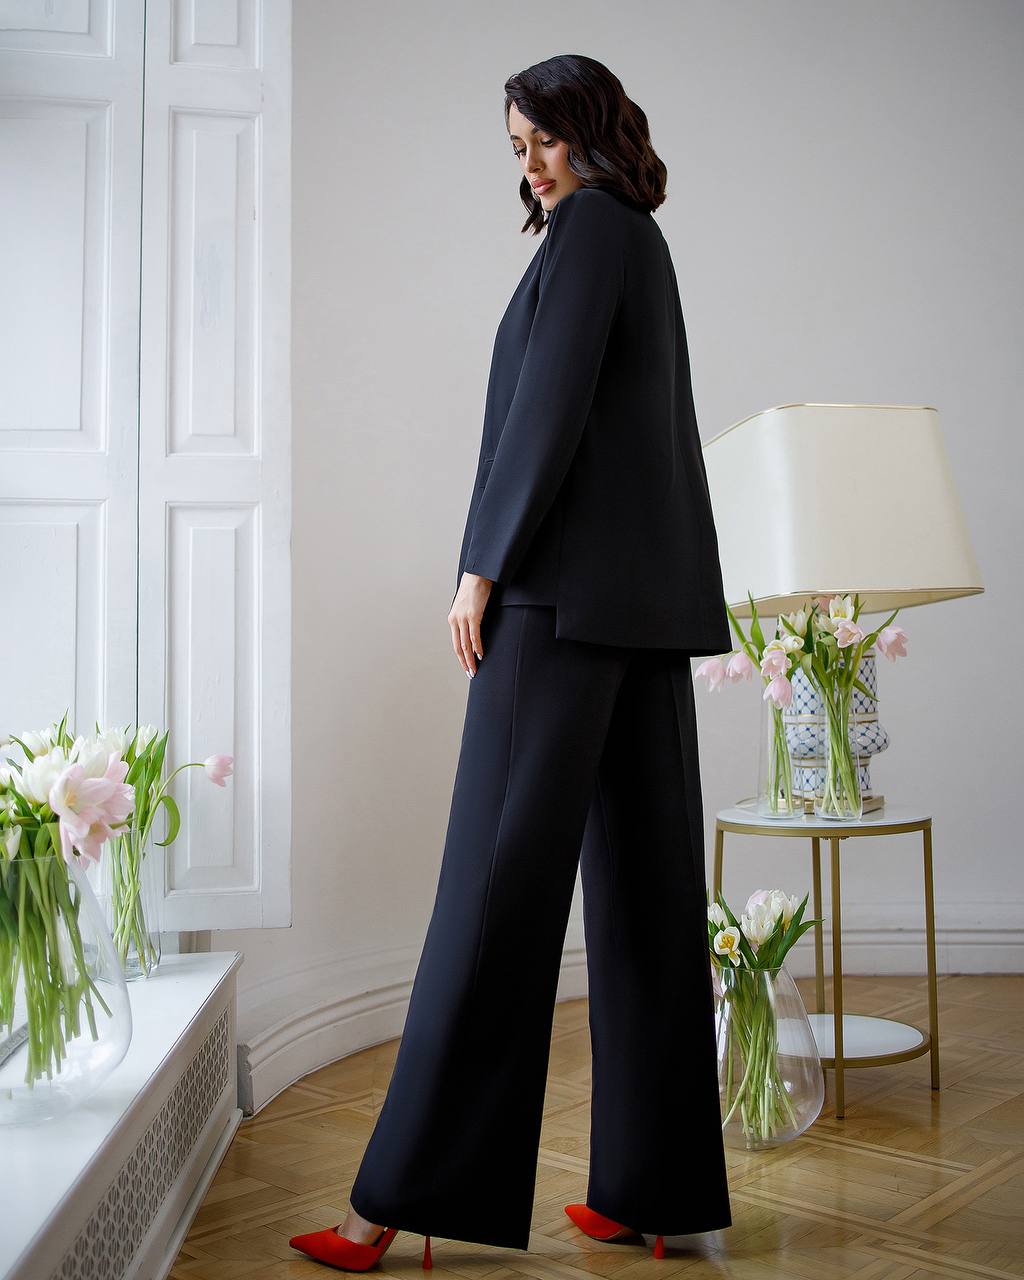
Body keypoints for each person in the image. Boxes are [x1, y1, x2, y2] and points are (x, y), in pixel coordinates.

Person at [290, 53, 733, 1273]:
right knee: (646, 907)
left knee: (488, 898)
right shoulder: (634, 238)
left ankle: (392, 1204)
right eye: (517, 147)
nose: (530, 165)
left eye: (544, 139)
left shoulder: (590, 231)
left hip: (553, 603)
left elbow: (547, 410)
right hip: (642, 615)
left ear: (593, 136)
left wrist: (479, 566)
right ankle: (660, 1191)